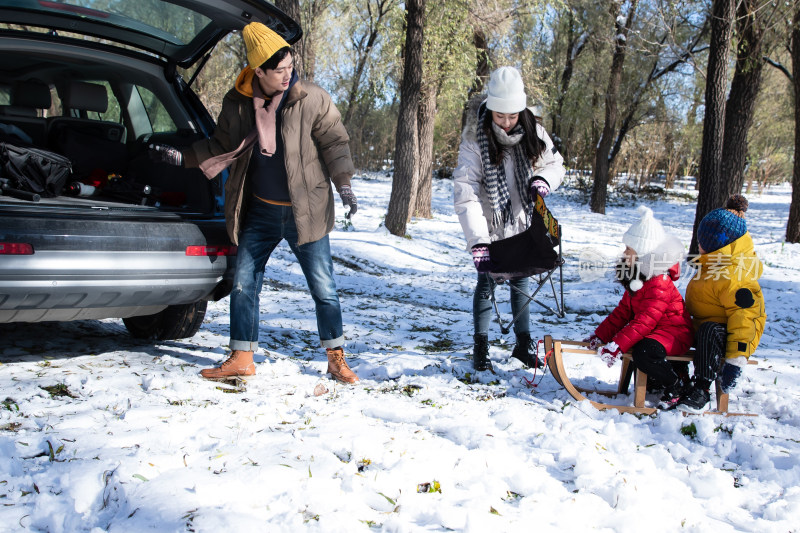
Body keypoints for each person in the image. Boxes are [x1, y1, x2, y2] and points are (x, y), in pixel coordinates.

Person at [149, 22, 359, 384]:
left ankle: (336, 358)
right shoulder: (238, 103)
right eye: (279, 70)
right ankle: (242, 357)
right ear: (257, 71)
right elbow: (219, 147)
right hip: (259, 211)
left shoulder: (310, 98)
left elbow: (335, 143)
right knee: (245, 285)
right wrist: (181, 158)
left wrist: (344, 185)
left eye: (291, 67)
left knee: (324, 288)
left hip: (304, 212)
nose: (288, 75)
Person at [453, 66, 566, 372]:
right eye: (499, 115)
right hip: (490, 226)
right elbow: (466, 193)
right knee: (486, 282)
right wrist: (478, 242)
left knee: (523, 280)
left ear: (521, 109)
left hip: (523, 221)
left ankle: (523, 344)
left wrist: (543, 179)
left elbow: (555, 164)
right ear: (490, 109)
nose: (505, 122)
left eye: (511, 115)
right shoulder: (474, 139)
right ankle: (481, 345)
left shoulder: (534, 131)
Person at [584, 206, 694, 409]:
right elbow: (622, 312)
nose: (624, 253)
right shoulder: (638, 277)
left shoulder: (659, 281)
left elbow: (646, 320)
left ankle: (676, 384)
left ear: (643, 253)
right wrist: (601, 335)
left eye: (629, 249)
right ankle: (656, 381)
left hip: (675, 331)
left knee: (644, 352)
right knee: (640, 345)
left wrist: (617, 344)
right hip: (657, 331)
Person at [676, 194, 766, 413]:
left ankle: (701, 389)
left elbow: (746, 318)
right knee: (673, 326)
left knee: (708, 330)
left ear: (718, 245)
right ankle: (675, 380)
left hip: (731, 336)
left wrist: (736, 359)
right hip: (709, 332)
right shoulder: (713, 266)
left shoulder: (735, 275)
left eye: (703, 242)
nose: (698, 244)